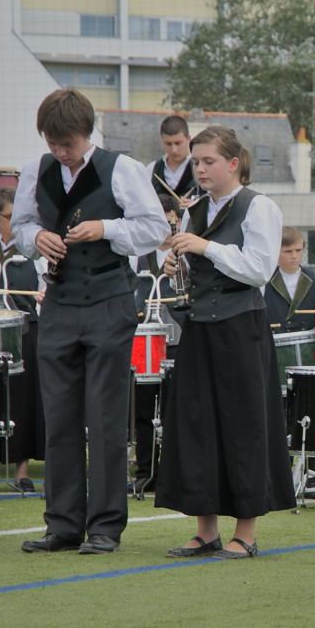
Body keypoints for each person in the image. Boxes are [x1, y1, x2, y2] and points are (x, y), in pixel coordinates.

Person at [14, 88, 169, 554]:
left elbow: (155, 228)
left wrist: (107, 229)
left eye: (69, 144)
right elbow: (20, 228)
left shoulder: (123, 168)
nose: (61, 152)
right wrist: (37, 237)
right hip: (58, 302)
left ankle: (105, 527)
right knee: (58, 417)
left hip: (109, 299)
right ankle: (62, 524)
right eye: (54, 144)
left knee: (104, 418)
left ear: (88, 134)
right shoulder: (35, 170)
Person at [157, 125, 295, 559]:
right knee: (197, 425)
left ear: (233, 164)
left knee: (244, 427)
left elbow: (258, 270)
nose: (199, 168)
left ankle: (246, 534)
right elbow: (193, 266)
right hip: (199, 328)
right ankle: (206, 530)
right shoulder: (193, 209)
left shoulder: (260, 207)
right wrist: (174, 262)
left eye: (208, 161)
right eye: (196, 162)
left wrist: (204, 246)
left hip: (242, 328)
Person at [264, 225, 315, 499]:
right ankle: (279, 478)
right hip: (273, 355)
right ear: (276, 252)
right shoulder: (262, 280)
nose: (294, 256)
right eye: (288, 251)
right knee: (278, 415)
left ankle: (311, 478)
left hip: (309, 357)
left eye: (298, 250)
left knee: (310, 413)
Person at [129, 192, 187, 495]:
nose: (167, 230)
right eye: (161, 223)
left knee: (176, 410)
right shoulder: (139, 254)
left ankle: (174, 473)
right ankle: (145, 472)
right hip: (146, 341)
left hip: (179, 341)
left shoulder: (188, 252)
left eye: (170, 223)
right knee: (142, 409)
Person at [0, 187, 46, 493]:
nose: (14, 223)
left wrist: (45, 296)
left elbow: (46, 286)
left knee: (22, 399)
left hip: (24, 331)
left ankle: (22, 470)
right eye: (8, 217)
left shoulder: (33, 251)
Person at [147, 115, 196, 207]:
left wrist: (197, 204)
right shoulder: (151, 169)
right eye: (168, 144)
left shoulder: (200, 168)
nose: (174, 149)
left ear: (188, 139)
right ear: (162, 141)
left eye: (178, 143)